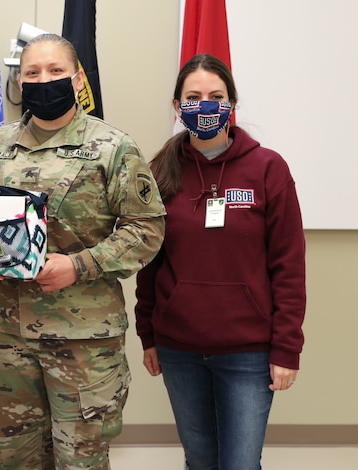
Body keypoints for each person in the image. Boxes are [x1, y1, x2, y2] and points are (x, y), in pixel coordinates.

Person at [0, 33, 166, 469]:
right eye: (32, 73)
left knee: (81, 461)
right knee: (19, 459)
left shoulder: (112, 148)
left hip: (82, 341)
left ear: (77, 80)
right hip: (8, 337)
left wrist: (80, 265)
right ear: (20, 83)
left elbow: (147, 229)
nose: (43, 80)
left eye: (55, 71)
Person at [134, 54, 307, 470]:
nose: (205, 105)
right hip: (179, 348)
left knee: (241, 464)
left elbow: (289, 266)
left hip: (248, 352)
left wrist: (287, 348)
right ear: (177, 107)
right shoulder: (158, 172)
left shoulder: (268, 169)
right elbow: (149, 262)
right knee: (200, 460)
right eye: (193, 97)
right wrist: (148, 334)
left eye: (216, 96)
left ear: (232, 105)